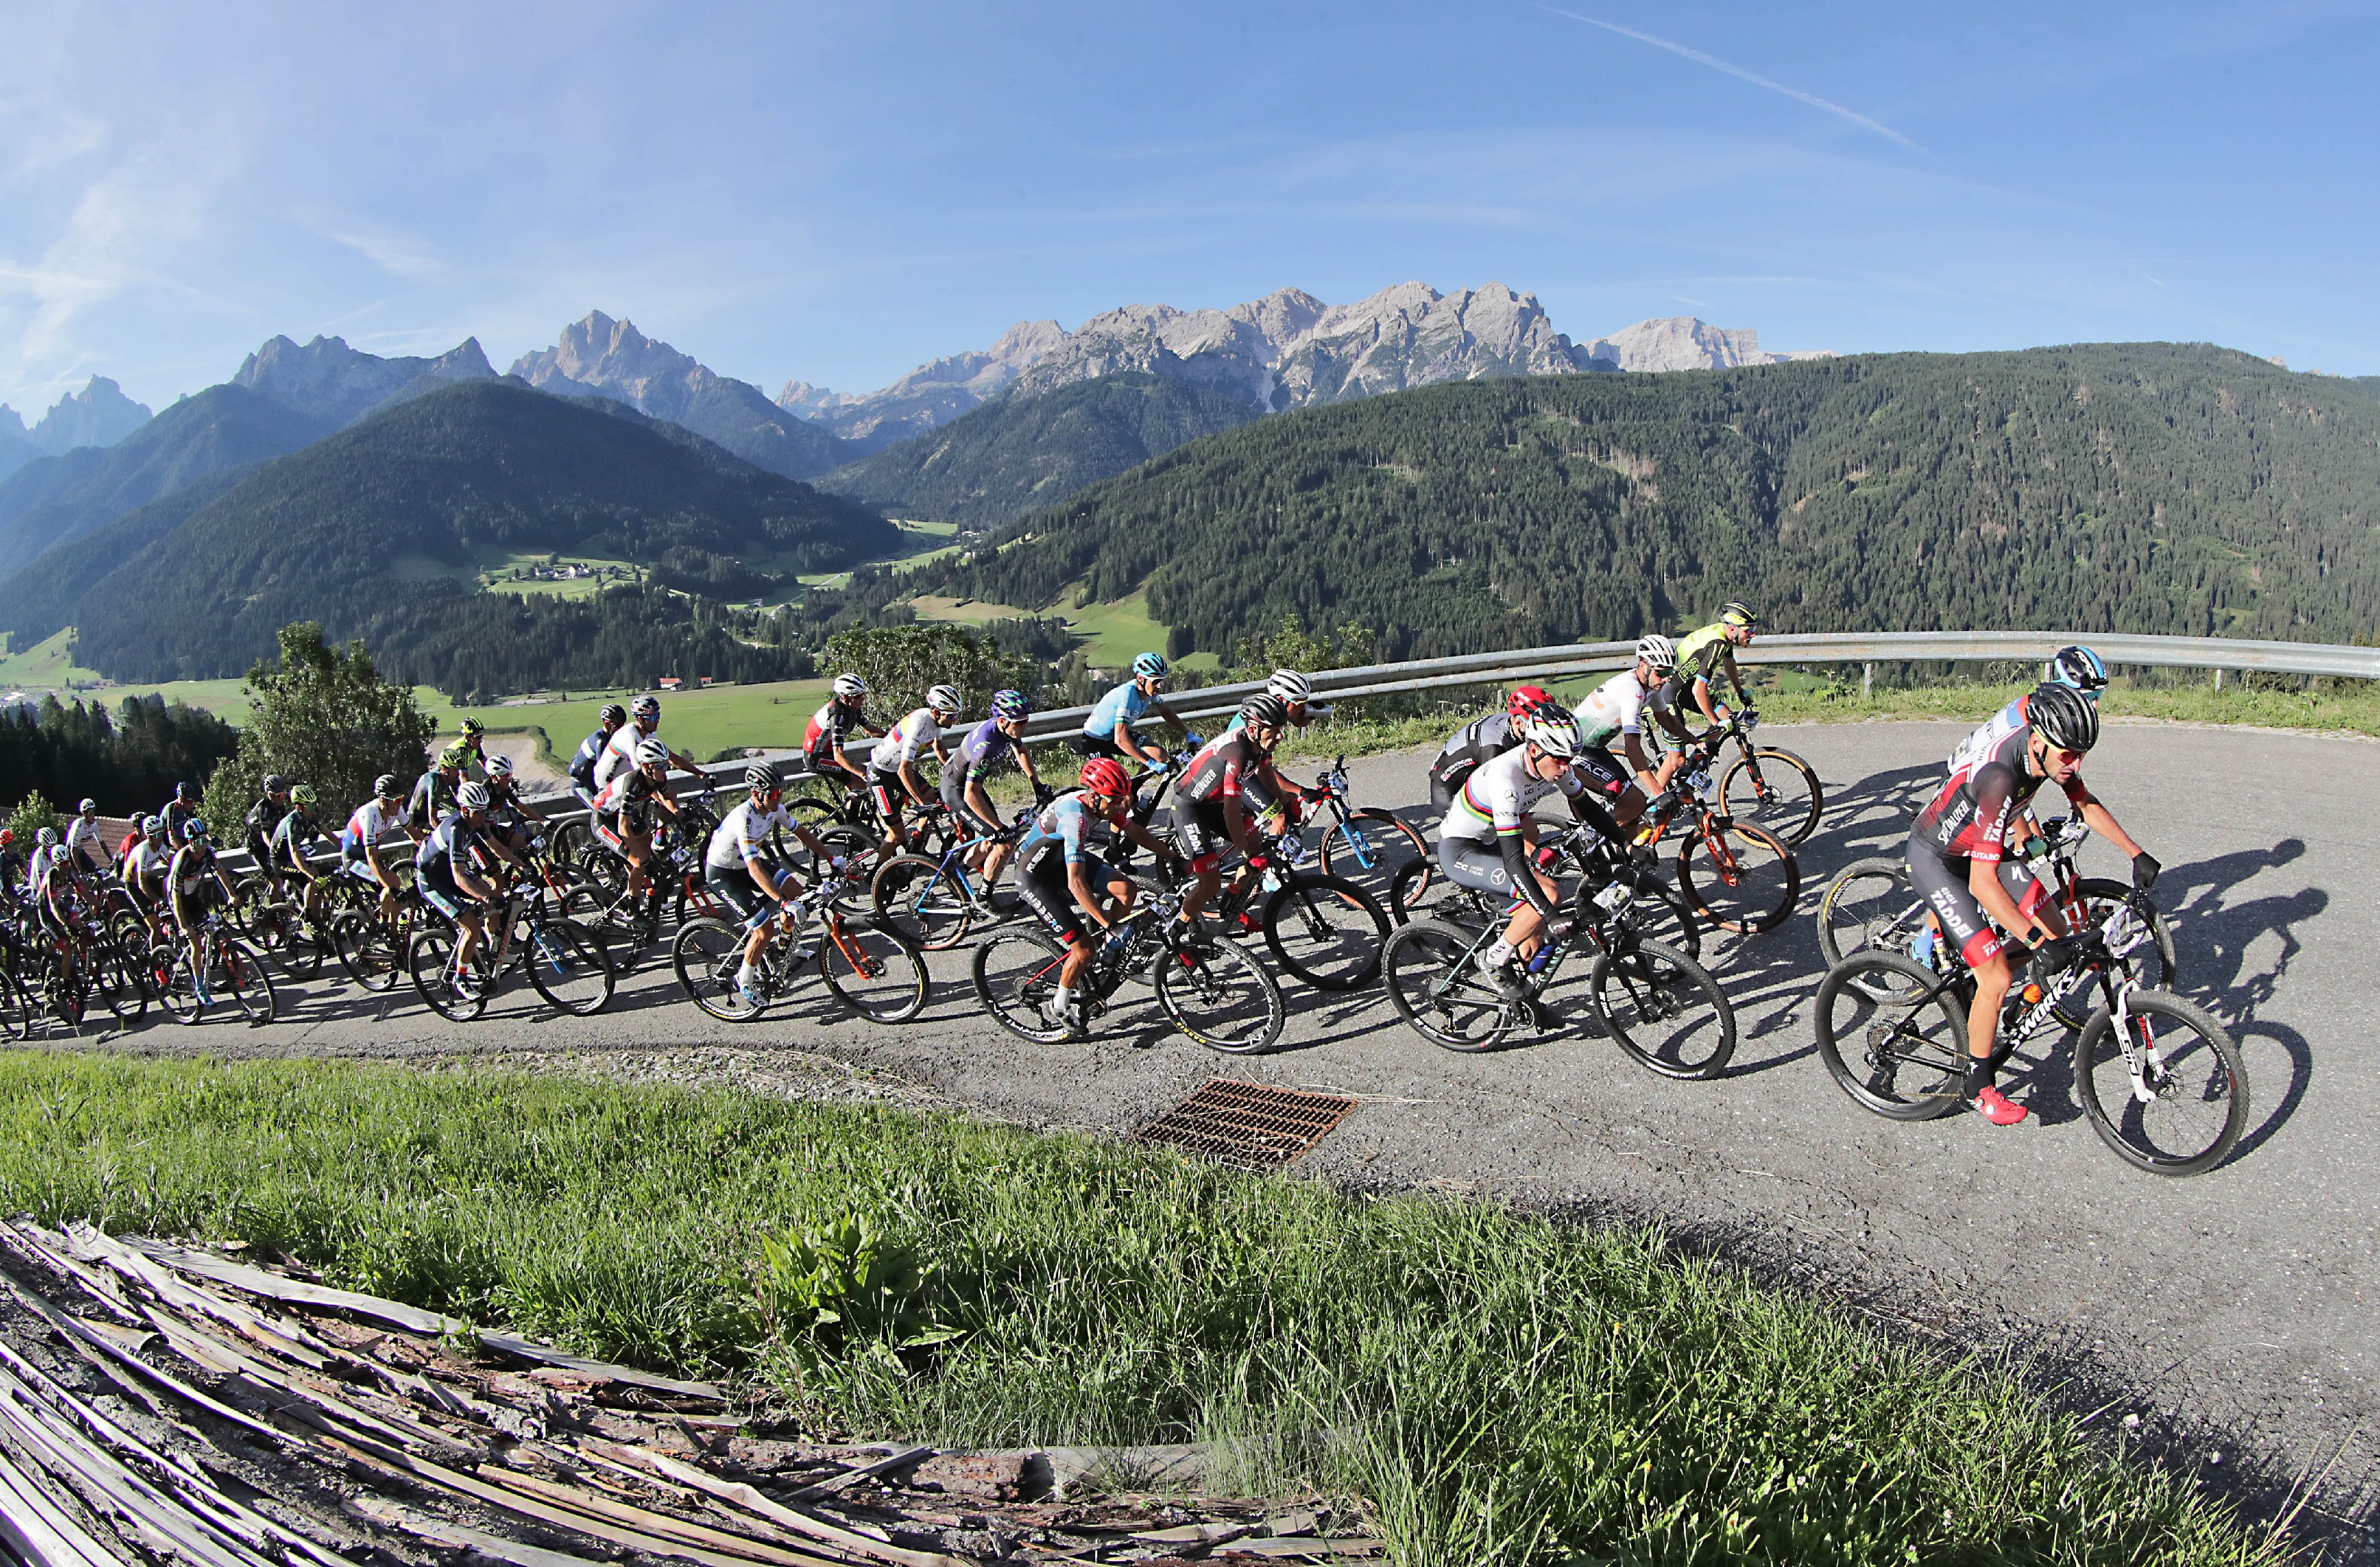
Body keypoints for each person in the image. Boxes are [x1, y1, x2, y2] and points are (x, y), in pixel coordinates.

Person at [1907, 683, 2159, 1127]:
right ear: (2039, 742)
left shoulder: (2050, 754)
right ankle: (1978, 1083)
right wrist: (2034, 942)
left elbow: (2085, 803)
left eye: (2082, 755)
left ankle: (2015, 999)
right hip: (1938, 859)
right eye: (2069, 755)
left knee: (2059, 928)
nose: (2076, 765)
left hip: (1980, 849)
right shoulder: (2001, 775)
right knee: (1998, 973)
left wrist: (2135, 852)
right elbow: (1984, 885)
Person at [1435, 706, 1626, 999]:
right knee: (1547, 894)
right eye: (1560, 759)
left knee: (1533, 925)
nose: (1566, 767)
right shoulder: (1506, 779)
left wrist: (1628, 844)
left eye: (1570, 759)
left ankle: (1522, 999)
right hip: (1461, 850)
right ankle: (1493, 959)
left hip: (1491, 842)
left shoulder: (1552, 764)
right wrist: (1551, 916)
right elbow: (1513, 861)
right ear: (1534, 749)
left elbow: (1589, 808)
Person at [1011, 757, 1178, 1035]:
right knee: (1084, 949)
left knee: (1127, 889)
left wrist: (1173, 857)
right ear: (1094, 796)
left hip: (1061, 859)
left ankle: (1110, 953)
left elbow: (1134, 831)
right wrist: (1109, 925)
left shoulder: (1102, 803)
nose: (1122, 806)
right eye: (1115, 801)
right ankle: (1061, 1003)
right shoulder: (1075, 818)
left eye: (1124, 798)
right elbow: (1075, 882)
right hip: (1035, 876)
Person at [703, 763, 837, 1009]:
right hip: (723, 873)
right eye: (773, 794)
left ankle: (782, 948)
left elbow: (802, 833)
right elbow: (755, 869)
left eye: (780, 793)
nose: (778, 798)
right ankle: (744, 980)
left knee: (800, 894)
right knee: (763, 929)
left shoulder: (774, 809)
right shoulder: (744, 819)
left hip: (743, 866)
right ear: (756, 793)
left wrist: (831, 858)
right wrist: (782, 902)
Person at [1169, 694, 1294, 938]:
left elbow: (1265, 772)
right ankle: (1175, 932)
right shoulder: (1237, 754)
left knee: (1260, 849)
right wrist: (1245, 851)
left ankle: (1233, 908)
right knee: (1211, 882)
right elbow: (1231, 810)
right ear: (1254, 729)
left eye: (1281, 730)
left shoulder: (1259, 745)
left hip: (1213, 803)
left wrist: (1280, 807)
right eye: (1274, 731)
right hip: (1190, 808)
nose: (1280, 736)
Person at [1572, 636, 1688, 830]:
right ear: (1644, 666)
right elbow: (1633, 749)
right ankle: (1594, 837)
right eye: (1662, 672)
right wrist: (1658, 792)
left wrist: (1695, 741)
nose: (1667, 678)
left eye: (1670, 672)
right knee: (1635, 803)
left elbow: (1665, 719)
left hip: (1593, 748)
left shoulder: (1650, 686)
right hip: (1576, 750)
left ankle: (1622, 852)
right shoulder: (1632, 691)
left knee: (1634, 813)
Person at [413, 781, 511, 994]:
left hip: (447, 873)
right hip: (432, 881)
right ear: (465, 810)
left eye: (485, 812)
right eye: (478, 813)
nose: (483, 817)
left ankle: (493, 949)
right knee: (472, 925)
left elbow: (497, 848)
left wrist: (523, 865)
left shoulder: (476, 822)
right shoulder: (457, 829)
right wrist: (485, 899)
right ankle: (461, 978)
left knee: (495, 893)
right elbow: (459, 877)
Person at [945, 689, 1048, 889]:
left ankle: (957, 873)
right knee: (1004, 843)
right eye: (1020, 723)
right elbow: (970, 795)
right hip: (958, 792)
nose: (1024, 726)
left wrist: (1037, 785)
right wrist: (999, 829)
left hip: (971, 788)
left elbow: (1021, 750)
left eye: (1026, 721)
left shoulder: (1007, 729)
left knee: (990, 839)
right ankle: (985, 897)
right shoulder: (985, 746)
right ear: (1002, 721)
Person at [590, 736, 681, 928]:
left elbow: (668, 800)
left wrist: (681, 817)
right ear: (647, 767)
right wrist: (638, 856)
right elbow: (623, 828)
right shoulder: (633, 783)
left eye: (666, 764)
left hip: (623, 815)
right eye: (662, 765)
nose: (666, 769)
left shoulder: (656, 778)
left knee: (653, 850)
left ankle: (645, 889)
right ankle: (631, 910)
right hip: (605, 820)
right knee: (639, 863)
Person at [866, 684, 964, 858]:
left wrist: (956, 773)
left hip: (896, 770)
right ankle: (876, 876)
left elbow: (939, 748)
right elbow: (904, 771)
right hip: (881, 774)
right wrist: (921, 803)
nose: (954, 720)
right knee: (896, 834)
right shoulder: (918, 725)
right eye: (951, 716)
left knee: (935, 802)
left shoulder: (935, 723)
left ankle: (916, 850)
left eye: (956, 715)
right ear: (936, 711)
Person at [1426, 685, 1555, 811]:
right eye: (1537, 725)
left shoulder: (1512, 723)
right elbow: (1496, 790)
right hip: (1448, 792)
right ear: (1518, 723)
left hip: (1470, 772)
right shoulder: (1494, 747)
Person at [1652, 601, 1759, 744]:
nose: (1753, 634)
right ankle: (1685, 762)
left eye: (1754, 628)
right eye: (1748, 630)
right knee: (1677, 760)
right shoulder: (1718, 644)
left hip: (1686, 687)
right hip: (1671, 693)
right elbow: (1699, 688)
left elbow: (1729, 662)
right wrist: (1715, 722)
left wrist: (1740, 692)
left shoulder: (1725, 635)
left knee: (1727, 720)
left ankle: (1698, 757)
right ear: (1733, 629)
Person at [167, 820, 238, 1002]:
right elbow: (176, 895)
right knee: (196, 944)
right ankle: (199, 985)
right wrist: (184, 925)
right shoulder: (183, 861)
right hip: (179, 899)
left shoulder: (207, 853)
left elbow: (221, 872)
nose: (203, 845)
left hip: (193, 897)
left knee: (213, 931)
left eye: (205, 840)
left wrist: (231, 894)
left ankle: (211, 967)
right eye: (199, 842)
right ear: (190, 843)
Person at [1075, 653, 1187, 767]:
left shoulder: (1148, 692)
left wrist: (1188, 733)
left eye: (1161, 681)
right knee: (1117, 781)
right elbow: (1120, 739)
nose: (1160, 686)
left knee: (1159, 755)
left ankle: (1135, 785)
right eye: (1156, 682)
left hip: (1113, 736)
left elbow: (1165, 712)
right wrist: (1150, 763)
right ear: (1140, 679)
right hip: (1095, 740)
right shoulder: (1127, 695)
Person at [340, 775, 409, 922]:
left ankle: (393, 932)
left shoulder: (396, 810)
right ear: (383, 800)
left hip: (368, 858)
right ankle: (382, 924)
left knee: (396, 890)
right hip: (354, 860)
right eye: (397, 800)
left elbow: (414, 834)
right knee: (391, 886)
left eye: (401, 799)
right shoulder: (370, 814)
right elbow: (372, 859)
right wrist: (388, 887)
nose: (400, 804)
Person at [596, 694, 701, 791]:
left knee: (666, 795)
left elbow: (671, 758)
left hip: (624, 781)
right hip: (607, 785)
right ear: (641, 719)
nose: (658, 721)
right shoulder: (630, 736)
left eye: (658, 716)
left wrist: (700, 773)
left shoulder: (649, 735)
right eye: (654, 718)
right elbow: (639, 769)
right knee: (661, 797)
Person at [802, 674, 882, 796]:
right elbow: (838, 756)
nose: (863, 699)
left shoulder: (853, 707)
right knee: (859, 780)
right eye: (858, 696)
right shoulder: (837, 717)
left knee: (859, 783)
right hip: (817, 758)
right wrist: (860, 774)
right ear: (845, 698)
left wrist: (894, 736)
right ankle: (853, 814)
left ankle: (854, 813)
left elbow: (870, 729)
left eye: (863, 695)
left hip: (828, 753)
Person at [267, 784, 330, 923]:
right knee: (313, 880)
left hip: (292, 857)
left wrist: (345, 849)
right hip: (280, 863)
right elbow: (295, 855)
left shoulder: (310, 816)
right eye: (309, 807)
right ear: (299, 807)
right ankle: (308, 919)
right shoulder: (292, 824)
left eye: (313, 806)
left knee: (317, 879)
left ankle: (316, 918)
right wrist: (309, 875)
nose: (312, 810)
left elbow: (329, 835)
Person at [123, 816, 172, 944]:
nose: (161, 837)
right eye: (157, 835)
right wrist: (156, 900)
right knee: (155, 926)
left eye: (161, 833)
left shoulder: (160, 846)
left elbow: (171, 862)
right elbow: (141, 883)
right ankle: (155, 959)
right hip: (135, 885)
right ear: (149, 837)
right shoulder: (143, 851)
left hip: (148, 877)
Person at [568, 704, 628, 808]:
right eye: (618, 726)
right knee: (603, 810)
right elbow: (605, 770)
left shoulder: (612, 737)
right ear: (607, 724)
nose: (621, 729)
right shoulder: (601, 741)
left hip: (591, 780)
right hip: (581, 784)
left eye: (623, 725)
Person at [406, 745, 469, 843]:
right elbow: (433, 820)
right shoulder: (436, 781)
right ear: (445, 770)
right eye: (455, 770)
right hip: (416, 825)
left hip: (426, 820)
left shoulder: (448, 779)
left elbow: (457, 806)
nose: (458, 774)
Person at [242, 774, 294, 886]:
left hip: (269, 844)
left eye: (283, 794)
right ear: (271, 795)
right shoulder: (264, 810)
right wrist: (275, 850)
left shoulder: (280, 806)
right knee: (275, 882)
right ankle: (274, 903)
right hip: (256, 848)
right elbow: (265, 836)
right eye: (280, 795)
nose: (282, 798)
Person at [64, 798, 111, 880]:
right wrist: (81, 871)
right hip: (71, 854)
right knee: (79, 879)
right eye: (90, 813)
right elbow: (73, 850)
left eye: (94, 813)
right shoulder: (79, 825)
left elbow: (101, 843)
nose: (93, 816)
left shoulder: (94, 826)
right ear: (84, 814)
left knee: (96, 872)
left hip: (81, 852)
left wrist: (111, 859)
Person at [161, 781, 203, 847]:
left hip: (180, 837)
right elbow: (172, 837)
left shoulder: (188, 809)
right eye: (189, 802)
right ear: (181, 799)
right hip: (167, 842)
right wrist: (184, 851)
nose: (192, 805)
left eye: (193, 801)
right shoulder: (171, 809)